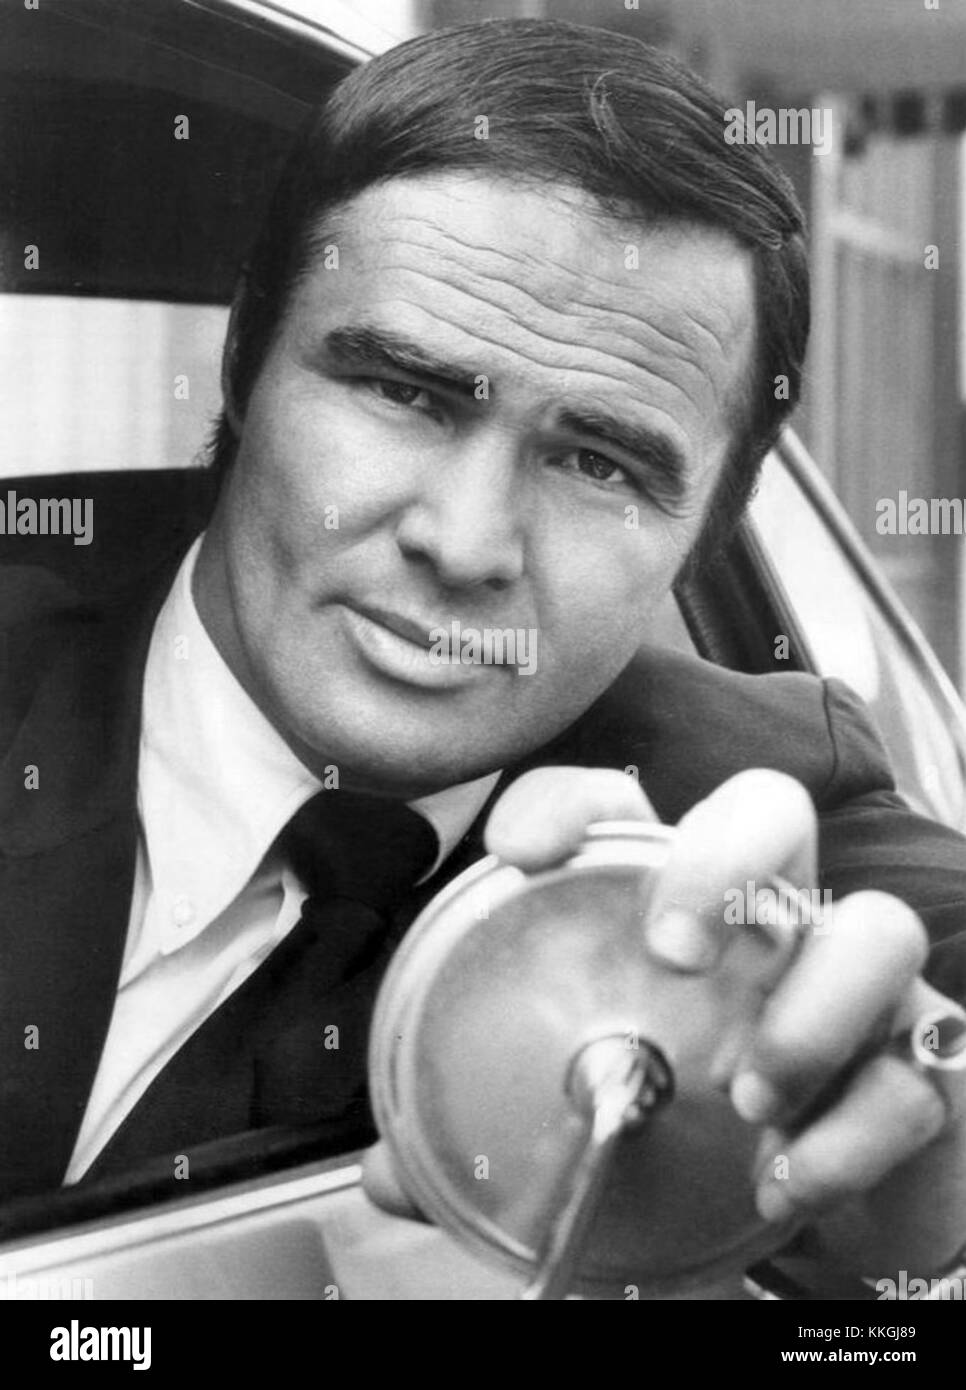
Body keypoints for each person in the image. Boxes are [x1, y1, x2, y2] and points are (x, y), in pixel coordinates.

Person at [1, 18, 964, 1297]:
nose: (464, 544)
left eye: (598, 463)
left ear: (704, 534)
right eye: (404, 392)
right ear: (242, 360)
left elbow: (927, 968)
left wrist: (926, 1165)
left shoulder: (756, 800)